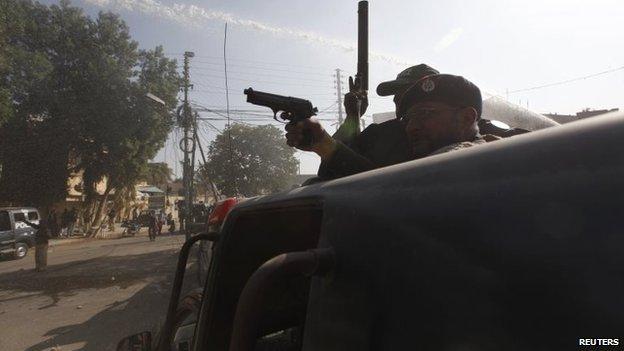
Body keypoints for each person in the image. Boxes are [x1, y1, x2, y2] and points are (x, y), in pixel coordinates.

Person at [285, 73, 493, 178]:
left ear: (467, 118)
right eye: (407, 118)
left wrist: (325, 143)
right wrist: (352, 118)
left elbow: (389, 189)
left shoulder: (476, 157)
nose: (411, 127)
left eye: (425, 113)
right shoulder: (394, 140)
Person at [311, 64, 440, 181]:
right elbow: (328, 171)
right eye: (397, 96)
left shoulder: (448, 143)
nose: (399, 101)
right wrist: (352, 118)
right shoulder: (381, 134)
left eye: (409, 95)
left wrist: (324, 143)